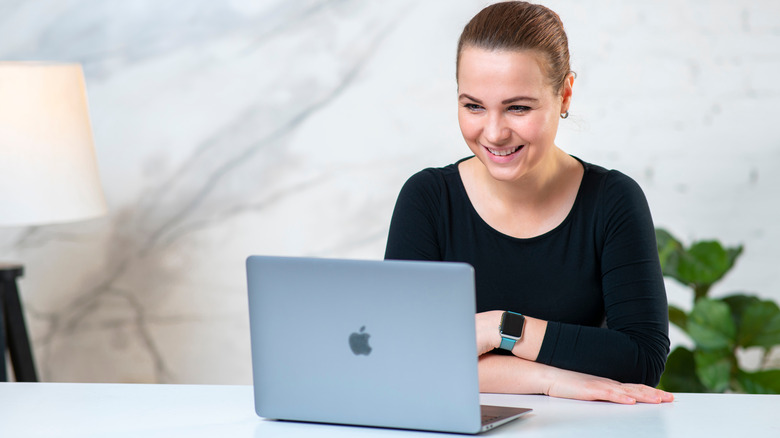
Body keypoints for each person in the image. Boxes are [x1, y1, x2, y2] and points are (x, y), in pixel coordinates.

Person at [385, 1, 674, 405]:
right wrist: (548, 379)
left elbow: (641, 359)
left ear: (565, 94)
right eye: (473, 106)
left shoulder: (612, 200)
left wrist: (501, 328)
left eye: (518, 107)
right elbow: (404, 354)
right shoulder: (428, 199)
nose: (494, 132)